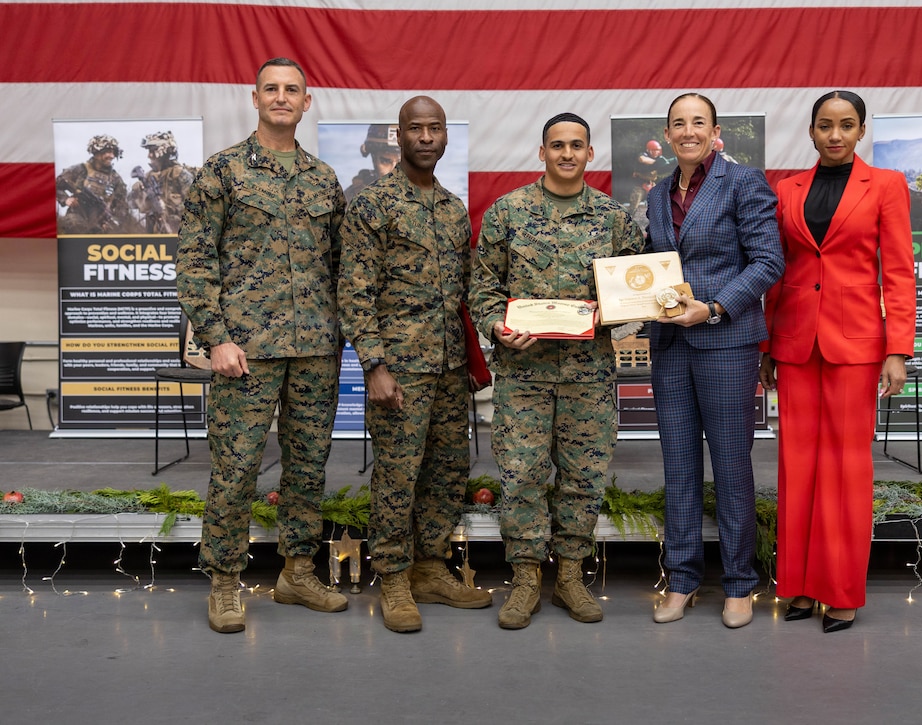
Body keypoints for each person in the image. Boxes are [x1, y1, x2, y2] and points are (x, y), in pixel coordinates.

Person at [176, 57, 349, 634]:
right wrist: (216, 337)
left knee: (307, 467)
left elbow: (336, 267)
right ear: (254, 99)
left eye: (291, 90)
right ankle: (225, 581)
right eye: (271, 89)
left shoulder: (324, 179)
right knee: (236, 466)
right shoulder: (221, 172)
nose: (281, 97)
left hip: (315, 349)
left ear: (307, 101)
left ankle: (297, 572)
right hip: (245, 351)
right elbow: (195, 262)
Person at [470, 112, 644, 630]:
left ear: (591, 154)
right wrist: (497, 326)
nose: (567, 154)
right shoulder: (508, 213)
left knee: (581, 479)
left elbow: (636, 290)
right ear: (541, 152)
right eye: (557, 145)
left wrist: (612, 312)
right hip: (523, 373)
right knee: (521, 476)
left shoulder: (614, 220)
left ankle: (569, 575)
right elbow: (481, 287)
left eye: (576, 146)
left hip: (588, 374)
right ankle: (525, 578)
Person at [759, 90, 916, 633]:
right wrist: (766, 347)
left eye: (846, 125)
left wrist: (897, 349)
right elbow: (775, 269)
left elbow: (897, 272)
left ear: (861, 131)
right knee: (795, 465)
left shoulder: (888, 186)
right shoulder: (787, 189)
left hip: (857, 345)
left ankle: (842, 590)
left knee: (848, 469)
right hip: (795, 341)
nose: (834, 134)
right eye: (825, 125)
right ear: (810, 131)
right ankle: (800, 587)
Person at [338, 96, 492, 634]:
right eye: (415, 128)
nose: (426, 137)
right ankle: (394, 577)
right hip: (399, 369)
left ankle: (429, 566)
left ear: (445, 136)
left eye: (435, 128)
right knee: (398, 477)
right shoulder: (372, 205)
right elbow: (354, 293)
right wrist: (374, 366)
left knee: (447, 473)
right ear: (398, 137)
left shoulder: (452, 209)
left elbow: (467, 294)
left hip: (450, 368)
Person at [645, 93, 784, 628]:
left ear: (715, 130)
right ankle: (680, 581)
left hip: (726, 342)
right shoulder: (659, 194)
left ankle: (739, 584)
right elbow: (651, 266)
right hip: (670, 348)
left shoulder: (744, 182)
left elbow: (769, 260)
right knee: (678, 468)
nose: (687, 131)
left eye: (697, 122)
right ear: (668, 132)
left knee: (730, 466)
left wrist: (716, 307)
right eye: (678, 123)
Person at [56, 135, 134, 234]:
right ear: (97, 153)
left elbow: (122, 205)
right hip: (78, 217)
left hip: (101, 222)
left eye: (113, 152)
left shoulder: (115, 178)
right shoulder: (80, 169)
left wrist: (113, 221)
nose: (112, 156)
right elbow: (55, 185)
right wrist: (65, 199)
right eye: (107, 152)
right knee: (74, 225)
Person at [129, 131, 194, 233]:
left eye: (153, 151)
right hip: (154, 234)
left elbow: (196, 205)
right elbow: (131, 205)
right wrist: (137, 192)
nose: (149, 155)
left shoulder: (179, 174)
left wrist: (170, 211)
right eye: (149, 151)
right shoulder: (148, 177)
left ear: (165, 151)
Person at [344, 123, 402, 201]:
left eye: (402, 162)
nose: (395, 170)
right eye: (386, 161)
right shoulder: (352, 198)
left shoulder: (420, 194)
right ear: (374, 159)